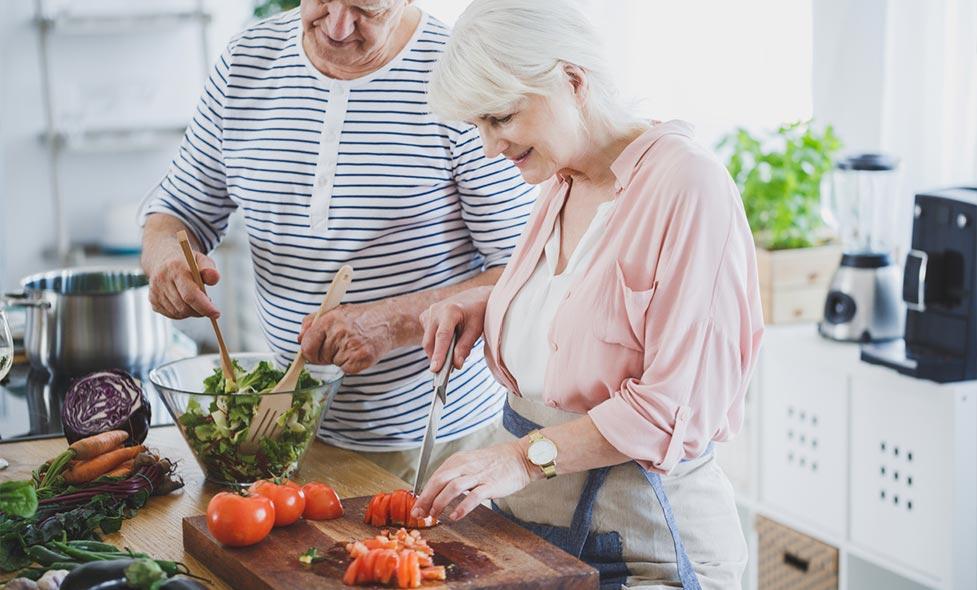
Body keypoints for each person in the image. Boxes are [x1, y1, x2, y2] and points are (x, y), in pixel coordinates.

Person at [412, 1, 764, 588]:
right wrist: (496, 307)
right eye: (478, 126)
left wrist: (519, 459)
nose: (489, 145)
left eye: (500, 117)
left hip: (648, 548)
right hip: (540, 540)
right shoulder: (563, 179)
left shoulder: (688, 184)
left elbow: (669, 409)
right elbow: (589, 312)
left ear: (572, 79)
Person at [139, 0, 535, 482]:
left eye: (366, 8)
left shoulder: (463, 77)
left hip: (433, 443)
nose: (338, 25)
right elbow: (176, 212)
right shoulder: (247, 59)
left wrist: (392, 323)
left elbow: (525, 272)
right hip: (287, 430)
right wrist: (166, 260)